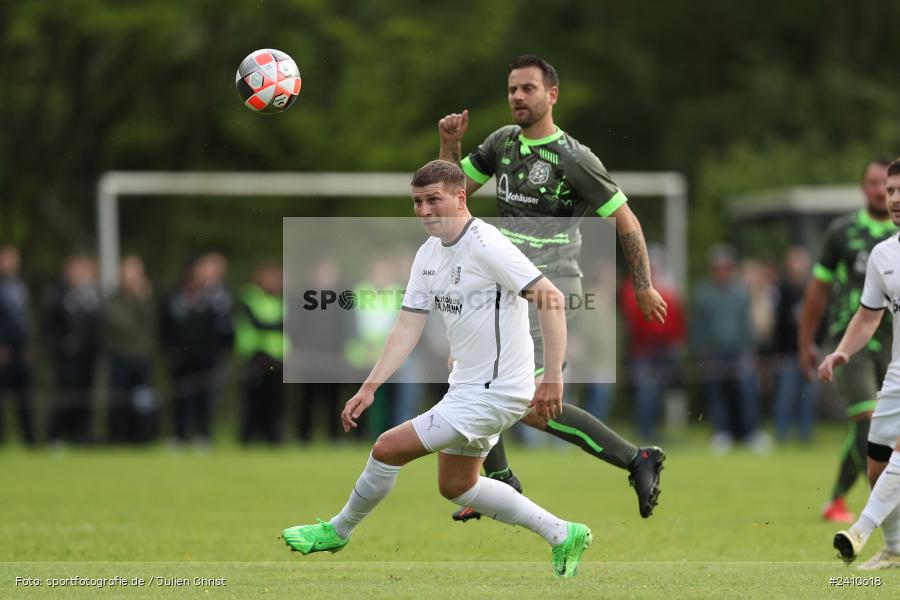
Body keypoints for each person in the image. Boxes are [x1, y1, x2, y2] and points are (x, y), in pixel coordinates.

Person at [282, 160, 593, 578]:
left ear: (460, 197)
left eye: (434, 200)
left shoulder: (485, 244)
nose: (424, 210)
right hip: (468, 387)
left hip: (495, 391)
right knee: (457, 486)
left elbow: (551, 299)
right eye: (417, 201)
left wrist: (552, 375)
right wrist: (370, 387)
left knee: (387, 448)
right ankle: (563, 533)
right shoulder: (428, 254)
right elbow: (407, 326)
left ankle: (338, 530)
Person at [436, 55, 666, 521]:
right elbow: (449, 199)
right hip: (502, 287)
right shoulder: (501, 143)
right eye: (512, 89)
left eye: (528, 89)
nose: (518, 97)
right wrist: (448, 144)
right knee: (471, 376)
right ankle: (500, 482)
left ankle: (633, 459)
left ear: (551, 95)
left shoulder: (573, 158)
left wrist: (643, 285)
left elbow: (626, 220)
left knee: (521, 398)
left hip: (549, 290)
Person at [799, 158, 897, 523]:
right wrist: (806, 341)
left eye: (886, 186)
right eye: (877, 185)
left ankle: (837, 498)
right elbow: (817, 291)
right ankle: (884, 514)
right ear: (865, 188)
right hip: (852, 342)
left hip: (894, 345)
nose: (881, 192)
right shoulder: (842, 233)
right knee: (866, 419)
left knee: (880, 429)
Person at [819, 157, 900, 569]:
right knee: (877, 465)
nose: (895, 199)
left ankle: (859, 531)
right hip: (898, 373)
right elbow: (868, 316)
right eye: (890, 191)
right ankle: (896, 549)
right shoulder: (883, 255)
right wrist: (842, 351)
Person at [691, 244, 768, 453]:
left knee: (745, 393)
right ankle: (721, 433)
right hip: (713, 353)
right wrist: (701, 351)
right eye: (719, 267)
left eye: (725, 267)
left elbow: (746, 325)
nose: (722, 271)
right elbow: (698, 327)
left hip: (739, 352)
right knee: (717, 394)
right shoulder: (703, 294)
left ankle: (750, 433)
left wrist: (749, 350)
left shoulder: (740, 293)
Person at [44, 254, 101, 445]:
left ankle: (81, 436)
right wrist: (61, 345)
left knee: (85, 397)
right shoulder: (58, 294)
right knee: (66, 396)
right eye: (77, 268)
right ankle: (54, 435)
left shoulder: (92, 296)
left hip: (88, 357)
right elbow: (49, 327)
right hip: (66, 358)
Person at [103, 255, 159, 443]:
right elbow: (123, 325)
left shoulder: (147, 299)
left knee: (143, 401)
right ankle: (118, 437)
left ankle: (142, 437)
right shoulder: (113, 299)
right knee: (119, 400)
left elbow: (152, 323)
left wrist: (142, 300)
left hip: (142, 357)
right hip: (121, 356)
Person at [235, 262, 285, 444]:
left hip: (277, 358)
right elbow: (259, 324)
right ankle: (247, 438)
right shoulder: (249, 297)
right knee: (253, 401)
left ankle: (273, 437)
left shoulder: (279, 300)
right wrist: (276, 326)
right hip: (255, 357)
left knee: (274, 402)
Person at [772, 247, 816, 443]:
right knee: (785, 397)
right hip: (788, 353)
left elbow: (821, 320)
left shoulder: (814, 290)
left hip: (810, 352)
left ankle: (805, 435)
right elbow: (777, 323)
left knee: (808, 398)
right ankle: (781, 434)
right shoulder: (782, 291)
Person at [0, 245, 35, 446]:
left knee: (25, 396)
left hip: (21, 350)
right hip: (3, 350)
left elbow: (26, 320)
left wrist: (29, 345)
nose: (8, 263)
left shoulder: (20, 286)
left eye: (12, 258)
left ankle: (29, 439)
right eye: (4, 258)